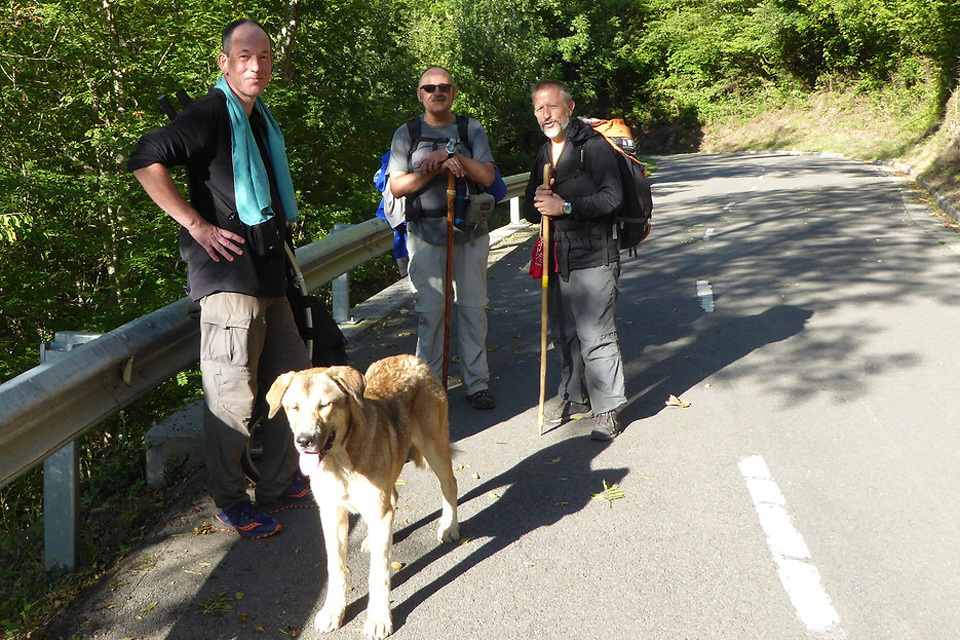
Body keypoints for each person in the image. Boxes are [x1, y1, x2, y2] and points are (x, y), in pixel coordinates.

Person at [128, 19, 313, 538]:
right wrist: (196, 223)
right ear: (224, 62)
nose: (257, 66)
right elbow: (144, 160)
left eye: (266, 57)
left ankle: (278, 483)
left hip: (269, 278)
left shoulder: (258, 120)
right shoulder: (211, 111)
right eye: (245, 56)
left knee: (291, 384)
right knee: (233, 397)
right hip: (228, 282)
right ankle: (231, 501)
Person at [387, 66, 498, 410]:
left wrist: (454, 157)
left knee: (472, 310)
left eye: (444, 87)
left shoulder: (470, 128)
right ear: (420, 95)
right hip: (425, 234)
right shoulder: (407, 133)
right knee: (430, 312)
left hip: (471, 233)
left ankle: (476, 383)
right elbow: (397, 186)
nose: (437, 92)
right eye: (429, 88)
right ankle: (429, 387)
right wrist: (431, 169)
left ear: (454, 92)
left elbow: (489, 176)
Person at [523, 80, 627, 441]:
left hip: (594, 253)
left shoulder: (593, 147)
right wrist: (537, 199)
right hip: (557, 256)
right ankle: (573, 395)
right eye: (539, 108)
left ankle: (608, 408)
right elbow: (527, 209)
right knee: (563, 335)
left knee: (597, 335)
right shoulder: (543, 153)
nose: (546, 114)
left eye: (552, 106)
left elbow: (613, 199)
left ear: (570, 107)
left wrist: (564, 206)